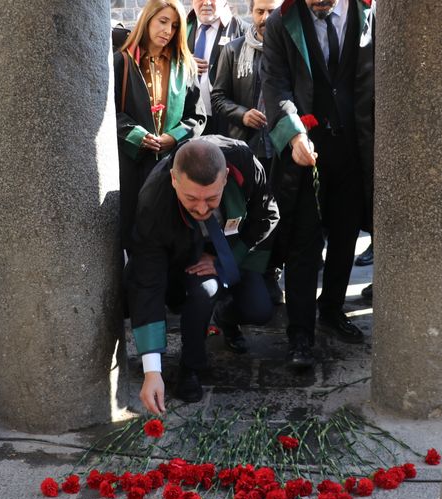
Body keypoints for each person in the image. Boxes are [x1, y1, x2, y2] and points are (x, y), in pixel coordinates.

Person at [126, 137, 278, 414]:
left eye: (211, 199)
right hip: (185, 256)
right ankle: (191, 367)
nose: (201, 209)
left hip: (232, 246)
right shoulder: (153, 201)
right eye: (191, 199)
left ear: (226, 177)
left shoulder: (244, 161)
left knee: (260, 310)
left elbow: (267, 214)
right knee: (202, 292)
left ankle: (225, 316)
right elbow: (148, 281)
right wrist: (152, 371)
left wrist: (226, 259)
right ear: (174, 180)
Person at [261, 0, 375, 368]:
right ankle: (300, 334)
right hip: (305, 150)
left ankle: (331, 309)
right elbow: (275, 85)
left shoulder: (368, 11)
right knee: (304, 241)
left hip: (355, 146)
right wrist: (294, 135)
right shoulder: (281, 21)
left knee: (346, 236)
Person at [114, 0, 206, 251]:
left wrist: (173, 137)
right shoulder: (122, 62)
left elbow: (197, 117)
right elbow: (109, 113)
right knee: (135, 236)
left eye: (174, 26)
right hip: (133, 166)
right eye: (163, 21)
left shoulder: (184, 66)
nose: (168, 31)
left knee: (170, 234)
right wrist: (137, 136)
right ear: (147, 20)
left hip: (171, 165)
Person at [211, 0, 283, 305]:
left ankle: (272, 273)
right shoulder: (233, 49)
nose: (265, 17)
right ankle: (244, 274)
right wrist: (242, 114)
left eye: (271, 11)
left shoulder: (288, 48)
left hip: (280, 148)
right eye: (259, 11)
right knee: (246, 213)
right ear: (250, 13)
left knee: (277, 214)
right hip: (246, 148)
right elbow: (218, 97)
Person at [186, 0, 248, 135]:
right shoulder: (181, 28)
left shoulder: (242, 31)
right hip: (189, 121)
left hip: (227, 124)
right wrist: (183, 62)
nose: (206, 3)